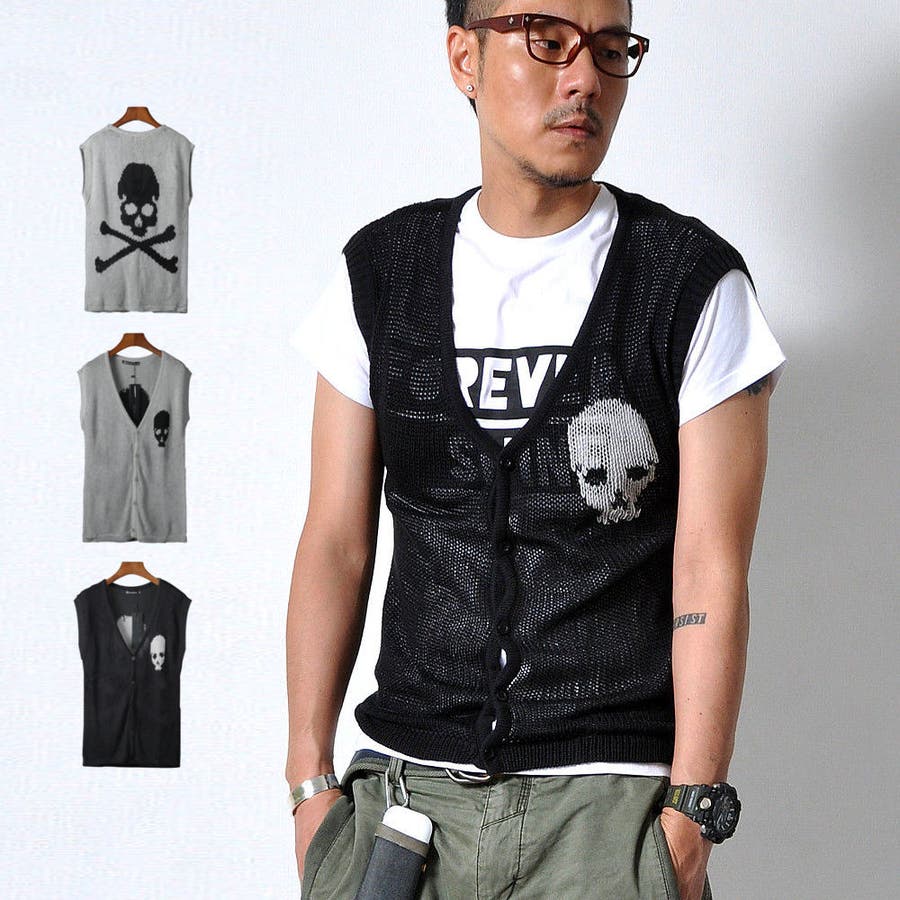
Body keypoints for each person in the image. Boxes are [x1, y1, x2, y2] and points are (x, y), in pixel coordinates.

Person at [285, 2, 785, 897]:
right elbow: (335, 541)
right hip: (404, 805)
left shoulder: (690, 282)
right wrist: (308, 782)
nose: (584, 78)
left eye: (610, 49)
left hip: (610, 816)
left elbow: (710, 565)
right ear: (464, 59)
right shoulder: (381, 272)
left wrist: (691, 815)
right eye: (548, 43)